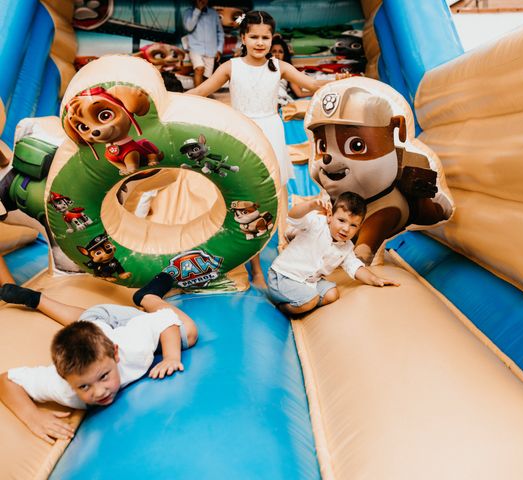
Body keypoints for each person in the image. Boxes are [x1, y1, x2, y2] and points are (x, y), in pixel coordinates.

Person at [187, 10, 342, 289]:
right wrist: (168, 98)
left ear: (272, 39)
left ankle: (286, 256)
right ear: (243, 38)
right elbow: (201, 91)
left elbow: (313, 84)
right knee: (248, 202)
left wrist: (338, 81)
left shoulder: (278, 67)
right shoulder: (230, 67)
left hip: (271, 131)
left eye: (266, 37)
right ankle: (255, 268)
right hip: (243, 134)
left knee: (273, 198)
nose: (260, 42)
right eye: (254, 36)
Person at [0, 272, 198, 444]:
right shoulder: (62, 388)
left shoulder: (134, 348)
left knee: (188, 333)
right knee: (88, 322)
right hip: (94, 322)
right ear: (64, 377)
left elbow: (165, 319)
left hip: (118, 319)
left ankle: (148, 296)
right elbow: (7, 380)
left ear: (116, 354)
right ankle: (36, 299)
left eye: (104, 376)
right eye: (84, 386)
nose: (99, 391)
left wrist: (171, 357)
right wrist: (33, 417)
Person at [266, 192, 399, 316]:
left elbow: (356, 267)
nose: (346, 229)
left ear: (359, 228)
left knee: (332, 294)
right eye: (341, 220)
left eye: (353, 225)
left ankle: (305, 301)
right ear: (330, 216)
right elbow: (293, 217)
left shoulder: (346, 247)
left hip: (309, 281)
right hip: (284, 276)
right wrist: (311, 205)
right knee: (311, 300)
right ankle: (285, 307)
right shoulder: (316, 223)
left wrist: (375, 279)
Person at [182, 0, 225, 87]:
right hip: (195, 48)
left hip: (211, 50)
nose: (202, 1)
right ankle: (197, 97)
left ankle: (203, 97)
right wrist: (197, 11)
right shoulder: (188, 12)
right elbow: (189, 27)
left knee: (207, 77)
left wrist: (219, 49)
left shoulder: (213, 14)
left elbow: (220, 32)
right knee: (199, 69)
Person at [269, 35, 306, 105]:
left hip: (280, 98)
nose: (277, 54)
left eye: (280, 52)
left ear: (284, 55)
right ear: (269, 53)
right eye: (274, 51)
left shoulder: (287, 70)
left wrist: (320, 91)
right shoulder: (262, 67)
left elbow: (299, 93)